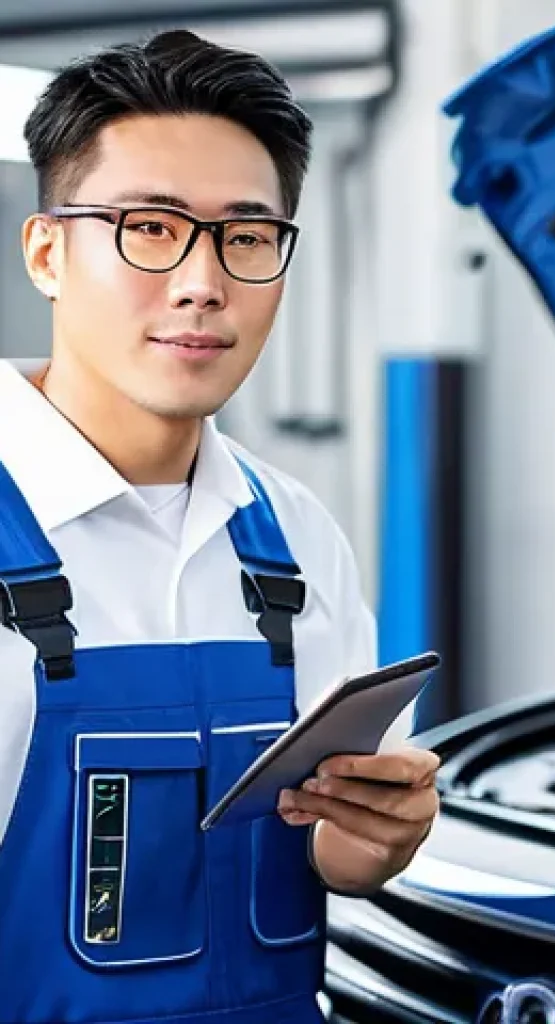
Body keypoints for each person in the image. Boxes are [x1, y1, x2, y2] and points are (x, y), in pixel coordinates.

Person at [0, 28, 440, 1024]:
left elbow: (328, 850)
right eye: (150, 228)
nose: (203, 280)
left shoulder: (291, 535)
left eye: (245, 236)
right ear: (46, 253)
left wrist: (377, 840)